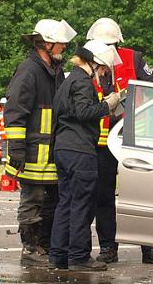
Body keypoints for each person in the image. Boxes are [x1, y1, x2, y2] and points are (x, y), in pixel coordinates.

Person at [86, 17, 153, 265]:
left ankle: (149, 248)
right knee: (104, 197)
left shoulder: (133, 58)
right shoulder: (87, 65)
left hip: (132, 140)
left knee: (141, 195)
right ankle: (108, 247)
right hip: (102, 143)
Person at [4, 18, 77, 266]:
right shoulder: (29, 71)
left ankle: (44, 245)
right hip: (32, 152)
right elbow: (15, 112)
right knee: (32, 200)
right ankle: (30, 248)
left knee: (50, 201)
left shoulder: (53, 72)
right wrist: (17, 151)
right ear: (46, 44)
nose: (63, 48)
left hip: (50, 152)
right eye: (60, 44)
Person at [49, 41, 122, 271]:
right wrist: (107, 105)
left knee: (66, 203)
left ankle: (59, 255)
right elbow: (83, 112)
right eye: (102, 69)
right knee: (82, 203)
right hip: (80, 151)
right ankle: (79, 256)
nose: (102, 74)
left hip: (63, 149)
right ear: (94, 63)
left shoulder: (67, 80)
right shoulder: (82, 82)